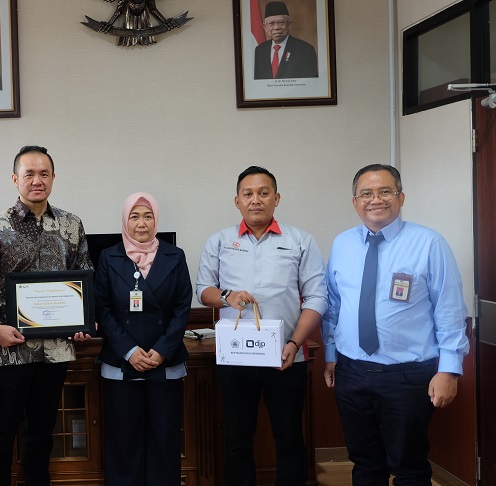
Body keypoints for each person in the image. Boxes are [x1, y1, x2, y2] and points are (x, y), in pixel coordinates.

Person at [322, 164, 470, 484]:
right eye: (366, 193)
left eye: (385, 191)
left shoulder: (429, 243)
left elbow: (449, 310)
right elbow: (333, 305)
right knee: (364, 463)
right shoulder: (342, 244)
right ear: (355, 202)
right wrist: (331, 355)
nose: (375, 199)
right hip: (352, 371)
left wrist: (449, 369)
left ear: (401, 197)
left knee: (409, 466)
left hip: (407, 375)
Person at [0, 145, 92, 486]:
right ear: (15, 179)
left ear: (53, 177)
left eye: (44, 174)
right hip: (11, 349)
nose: (37, 181)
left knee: (41, 433)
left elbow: (85, 278)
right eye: (29, 174)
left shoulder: (71, 224)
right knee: (3, 433)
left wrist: (83, 322)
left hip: (56, 350)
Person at [195, 165, 327, 485]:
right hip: (237, 357)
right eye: (248, 194)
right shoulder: (220, 241)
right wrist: (227, 296)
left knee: (290, 439)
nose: (256, 200)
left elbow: (316, 297)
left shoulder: (300, 240)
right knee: (237, 440)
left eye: (264, 193)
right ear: (237, 201)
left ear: (276, 198)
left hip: (286, 356)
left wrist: (294, 343)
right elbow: (203, 291)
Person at [94, 192, 192, 486]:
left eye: (148, 216)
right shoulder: (109, 257)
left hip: (165, 361)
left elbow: (182, 308)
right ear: (125, 221)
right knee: (124, 441)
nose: (141, 223)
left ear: (156, 220)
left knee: (164, 439)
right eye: (134, 216)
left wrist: (161, 350)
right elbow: (102, 309)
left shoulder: (175, 256)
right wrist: (130, 350)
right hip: (122, 361)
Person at [253, 2, 318, 80]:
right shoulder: (259, 50)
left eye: (281, 23)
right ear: (265, 27)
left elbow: (310, 84)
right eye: (271, 23)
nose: (276, 27)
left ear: (289, 25)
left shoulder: (305, 50)